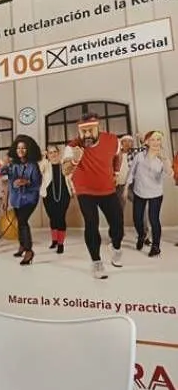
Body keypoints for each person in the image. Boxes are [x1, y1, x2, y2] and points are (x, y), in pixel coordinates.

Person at [62, 113, 124, 279]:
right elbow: (65, 170)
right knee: (91, 223)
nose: (87, 134)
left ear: (99, 128)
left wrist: (116, 172)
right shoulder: (73, 146)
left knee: (118, 224)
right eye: (84, 131)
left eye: (91, 130)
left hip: (107, 188)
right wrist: (74, 161)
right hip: (85, 190)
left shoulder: (112, 140)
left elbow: (118, 155)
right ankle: (96, 262)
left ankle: (116, 246)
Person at [127, 130, 173, 257]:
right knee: (137, 219)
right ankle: (141, 235)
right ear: (147, 142)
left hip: (155, 193)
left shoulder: (162, 158)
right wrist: (125, 188)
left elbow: (170, 173)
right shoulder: (139, 156)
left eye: (158, 140)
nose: (156, 142)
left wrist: (163, 159)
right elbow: (131, 172)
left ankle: (156, 246)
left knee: (154, 219)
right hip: (139, 192)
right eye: (153, 140)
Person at [0, 135, 42, 265]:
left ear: (28, 150)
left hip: (30, 199)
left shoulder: (33, 166)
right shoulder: (13, 164)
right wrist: (5, 164)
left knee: (23, 221)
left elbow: (37, 184)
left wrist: (26, 182)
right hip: (16, 199)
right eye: (18, 148)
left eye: (23, 148)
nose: (21, 150)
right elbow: (0, 172)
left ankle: (29, 251)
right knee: (20, 222)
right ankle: (22, 245)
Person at [40, 144, 74, 254]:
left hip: (64, 195)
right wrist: (43, 158)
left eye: (55, 152)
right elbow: (38, 171)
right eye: (50, 153)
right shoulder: (45, 165)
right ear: (48, 155)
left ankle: (60, 244)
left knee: (61, 218)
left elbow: (71, 178)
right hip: (48, 196)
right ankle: (54, 240)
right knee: (52, 218)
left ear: (59, 153)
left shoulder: (64, 164)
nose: (53, 154)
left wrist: (73, 190)